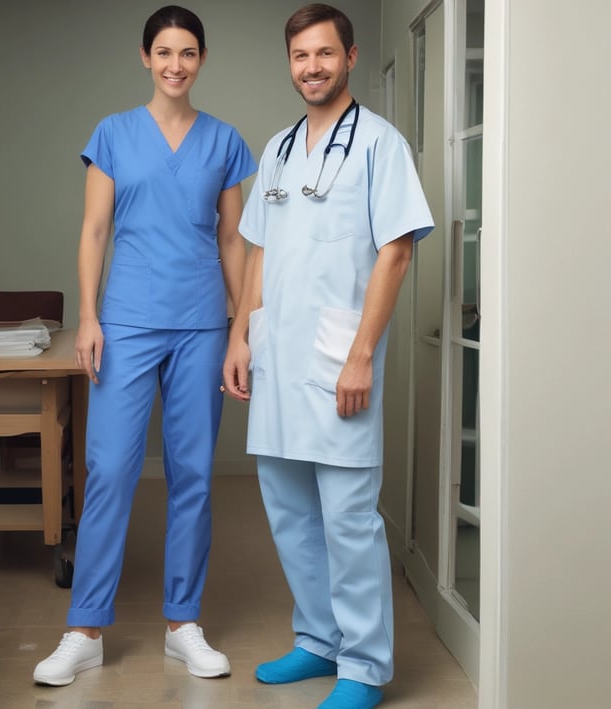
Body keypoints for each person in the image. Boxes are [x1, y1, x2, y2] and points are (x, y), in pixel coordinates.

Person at [33, 5, 256, 687]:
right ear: (145, 57)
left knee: (192, 472)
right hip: (125, 320)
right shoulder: (112, 133)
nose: (175, 64)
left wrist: (241, 331)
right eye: (164, 52)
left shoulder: (223, 141)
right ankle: (84, 628)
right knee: (110, 470)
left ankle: (183, 622)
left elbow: (232, 241)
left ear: (202, 60)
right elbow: (94, 230)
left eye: (188, 53)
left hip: (199, 323)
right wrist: (89, 317)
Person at [222, 4, 434, 709]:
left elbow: (396, 251)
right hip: (278, 356)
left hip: (340, 356)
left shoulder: (379, 144)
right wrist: (240, 336)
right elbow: (257, 248)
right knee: (288, 509)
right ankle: (318, 639)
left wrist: (361, 354)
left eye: (323, 53)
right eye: (299, 56)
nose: (310, 66)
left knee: (347, 517)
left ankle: (366, 666)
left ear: (348, 57)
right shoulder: (278, 150)